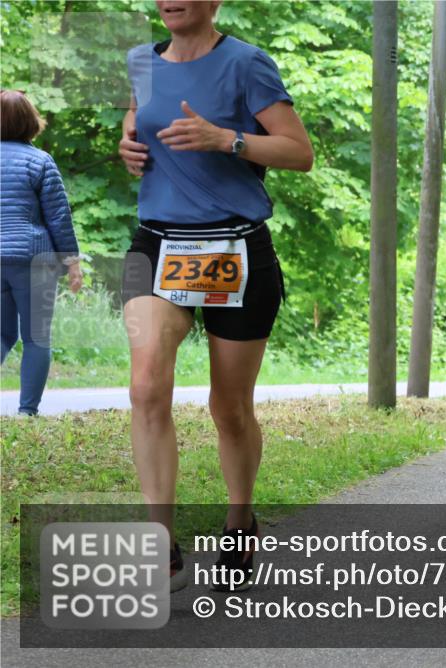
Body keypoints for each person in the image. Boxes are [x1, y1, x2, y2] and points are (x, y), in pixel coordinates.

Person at [117, 0, 313, 592]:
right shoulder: (139, 61)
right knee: (146, 384)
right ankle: (161, 545)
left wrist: (226, 139)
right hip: (156, 243)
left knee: (229, 408)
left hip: (235, 246)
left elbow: (298, 153)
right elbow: (137, 127)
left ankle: (239, 517)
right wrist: (129, 151)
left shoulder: (247, 63)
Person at [1, 90, 83, 416]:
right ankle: (26, 412)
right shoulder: (40, 161)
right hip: (34, 261)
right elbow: (58, 217)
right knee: (36, 338)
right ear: (30, 122)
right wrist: (72, 263)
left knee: (3, 334)